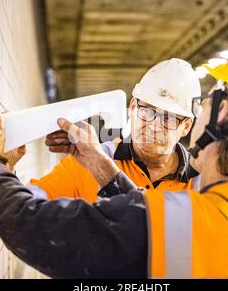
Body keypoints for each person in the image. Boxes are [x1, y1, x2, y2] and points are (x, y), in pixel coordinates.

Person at [0, 52, 228, 278]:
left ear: (222, 113)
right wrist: (102, 166)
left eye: (207, 101)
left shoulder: (176, 219)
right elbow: (147, 216)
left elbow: (32, 226)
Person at [27, 58, 200, 203]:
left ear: (186, 126)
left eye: (168, 118)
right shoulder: (91, 159)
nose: (154, 125)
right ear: (132, 107)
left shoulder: (201, 182)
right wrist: (4, 163)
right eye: (146, 110)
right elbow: (28, 206)